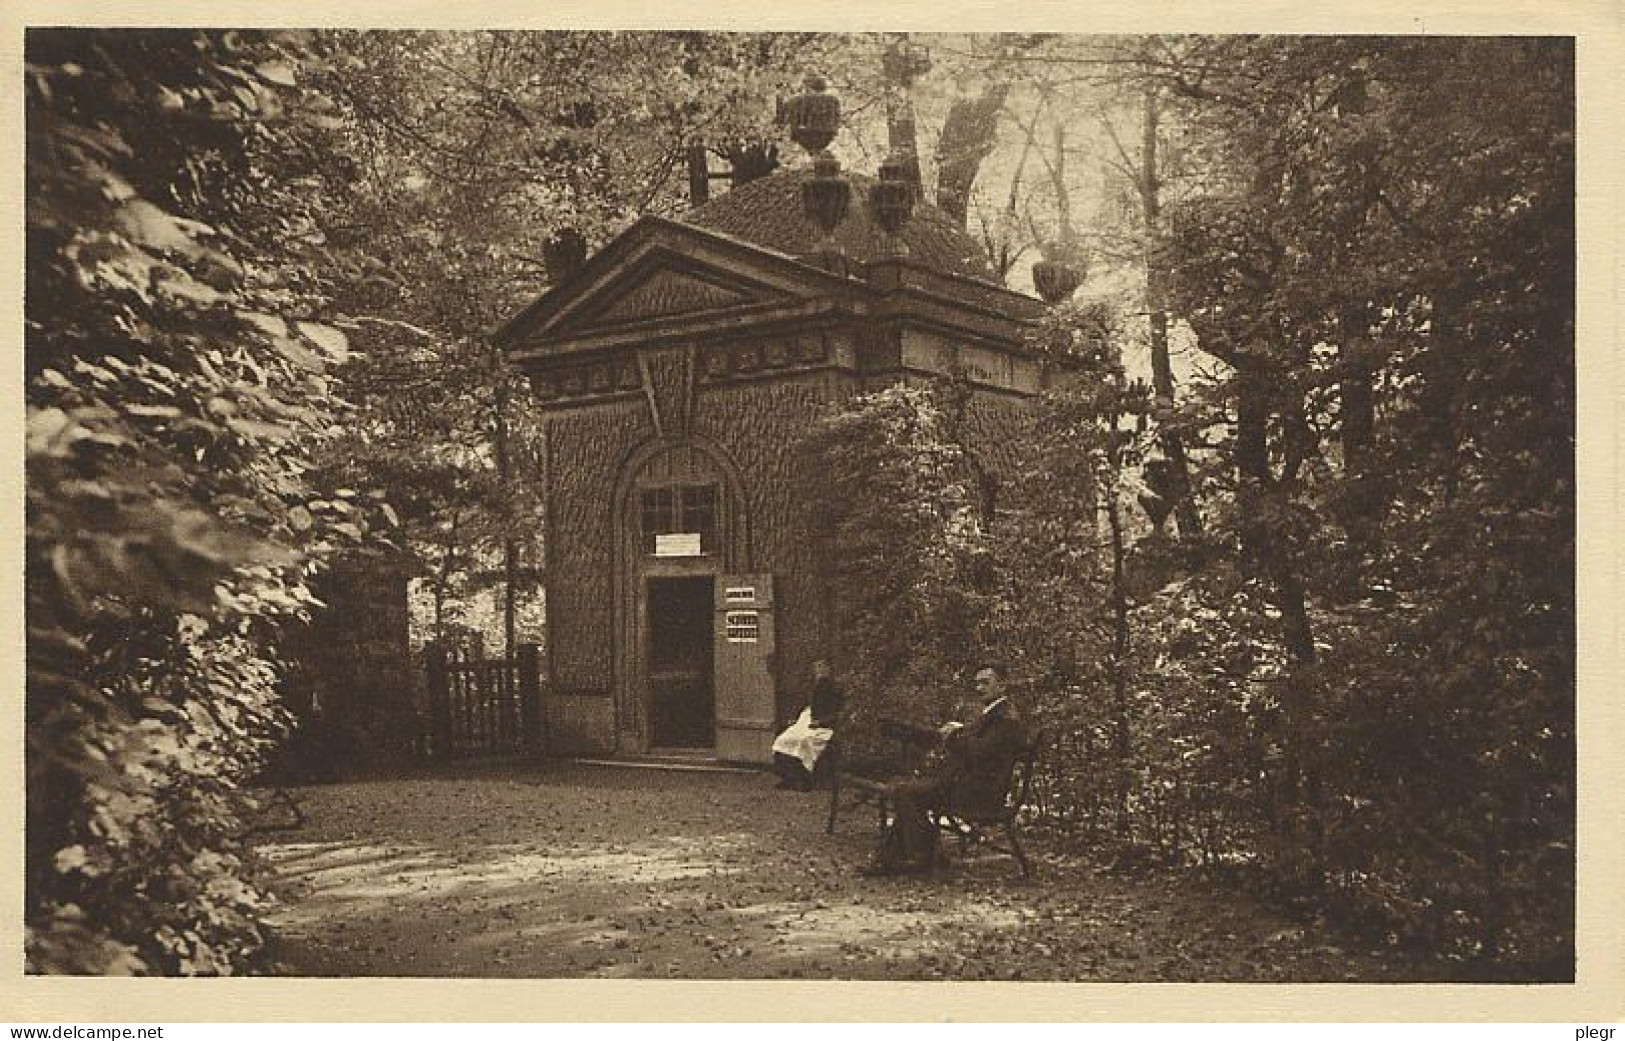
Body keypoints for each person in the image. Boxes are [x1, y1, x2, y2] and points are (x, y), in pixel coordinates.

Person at [860, 663, 1032, 876]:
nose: (979, 688)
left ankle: (918, 857)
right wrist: (956, 731)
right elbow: (978, 745)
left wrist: (953, 736)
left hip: (979, 794)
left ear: (1002, 685)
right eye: (977, 683)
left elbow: (977, 753)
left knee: (905, 791)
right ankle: (893, 858)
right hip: (968, 785)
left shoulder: (1006, 719)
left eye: (985, 683)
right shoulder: (996, 713)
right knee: (905, 789)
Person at [771, 658, 842, 790]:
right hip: (807, 721)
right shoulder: (813, 687)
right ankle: (789, 777)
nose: (820, 670)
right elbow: (808, 707)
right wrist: (797, 719)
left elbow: (837, 712)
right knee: (783, 739)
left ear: (829, 670)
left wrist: (821, 722)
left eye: (823, 667)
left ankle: (805, 780)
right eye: (817, 668)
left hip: (824, 727)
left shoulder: (834, 688)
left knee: (804, 742)